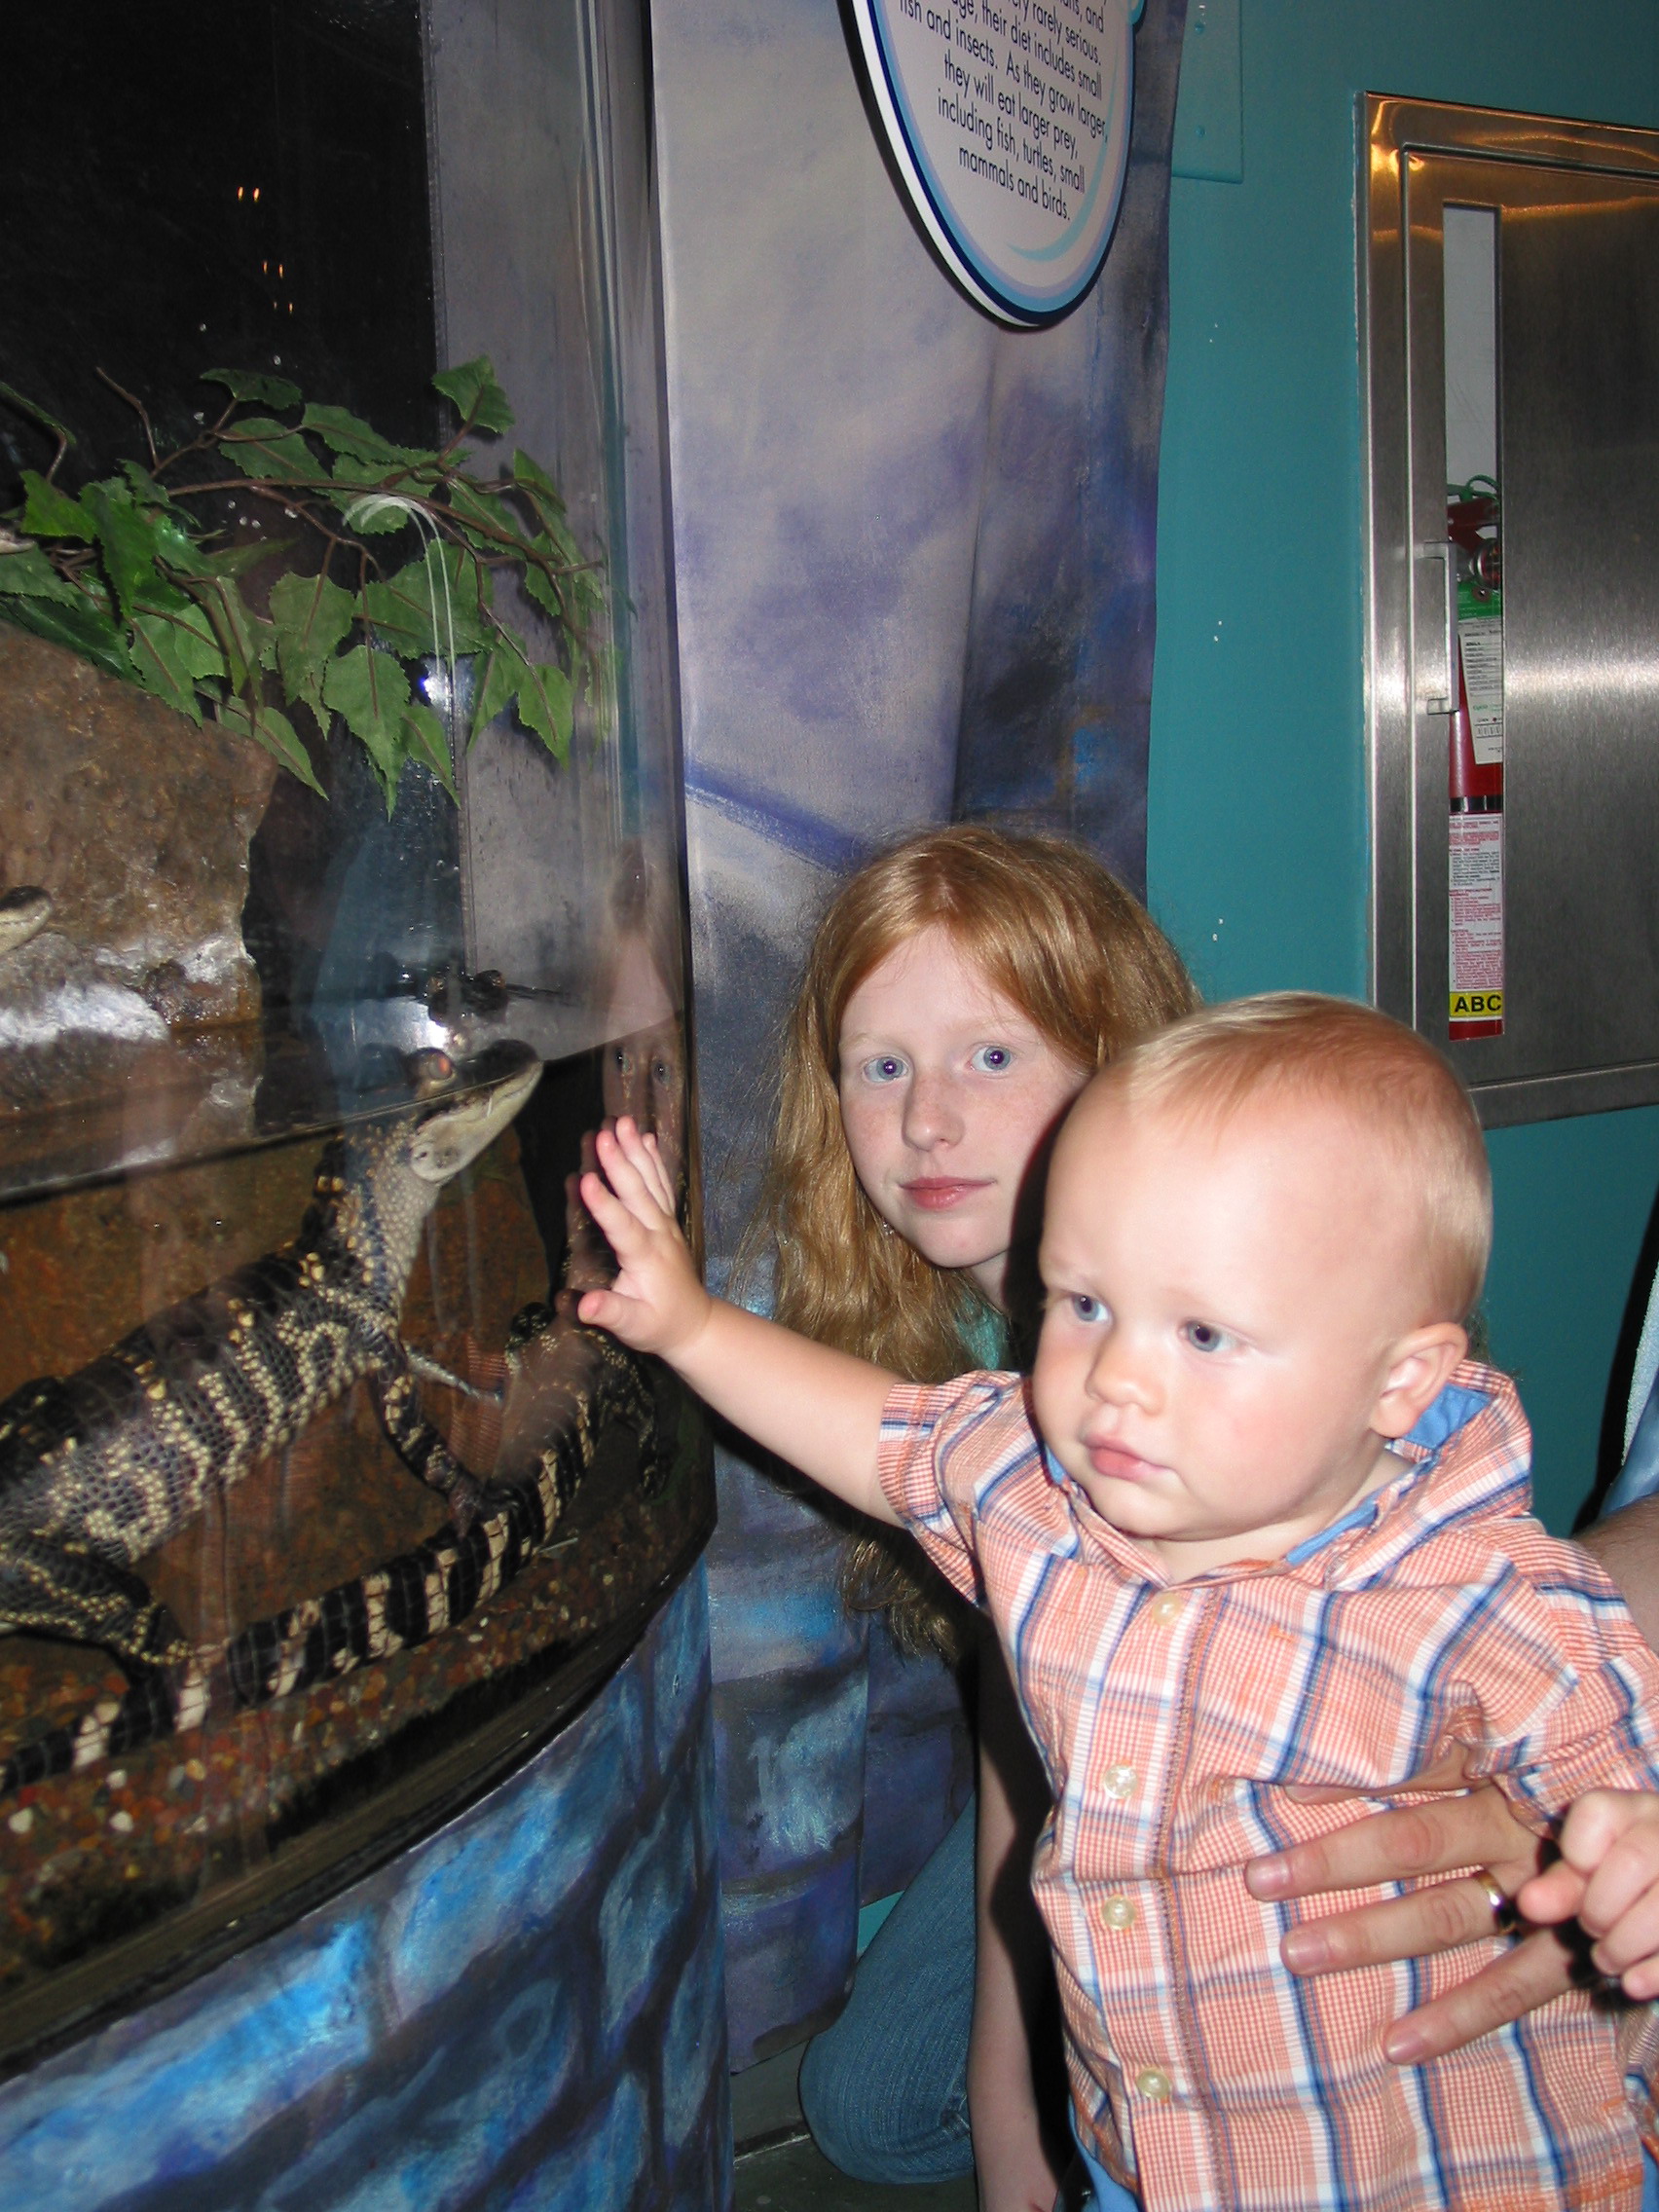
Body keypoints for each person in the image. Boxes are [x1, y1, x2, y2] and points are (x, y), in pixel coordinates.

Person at [578, 992, 1659, 2212]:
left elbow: (1622, 1782)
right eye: (1083, 1304)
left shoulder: (1489, 1601)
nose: (1117, 1380)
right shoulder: (1035, 1484)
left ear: (1401, 1381)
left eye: (1204, 1332)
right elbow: (875, 1434)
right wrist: (692, 1325)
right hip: (1149, 2148)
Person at [727, 825, 1198, 2208]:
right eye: (882, 1067)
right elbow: (1032, 1714)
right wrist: (1005, 2080)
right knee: (871, 2108)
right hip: (1083, 1772)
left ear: (1114, 1059)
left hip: (1252, 1808)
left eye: (991, 1055)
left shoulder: (1151, 1361)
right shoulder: (995, 1330)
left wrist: (1017, 2093)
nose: (927, 1121)